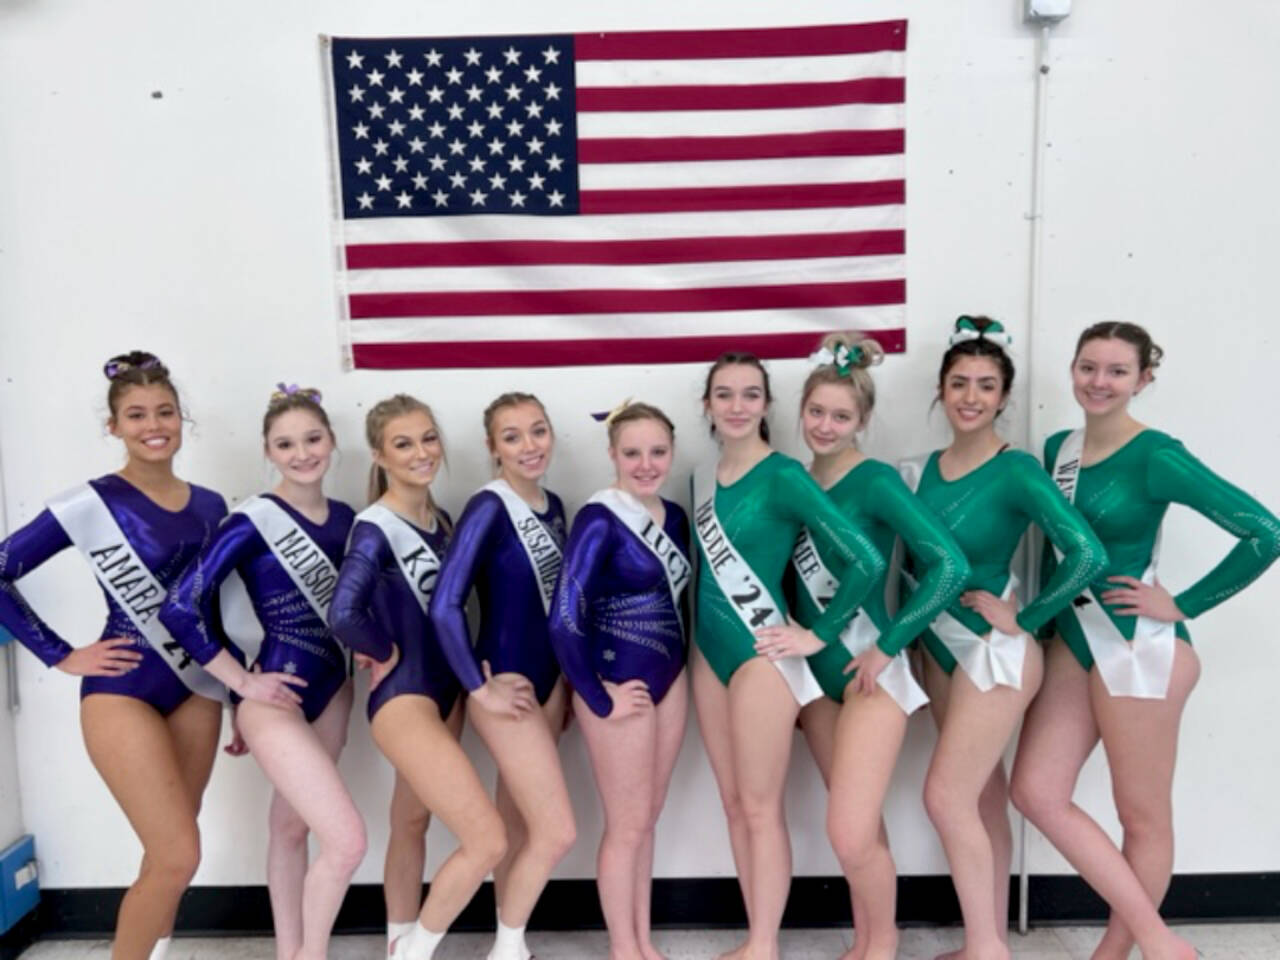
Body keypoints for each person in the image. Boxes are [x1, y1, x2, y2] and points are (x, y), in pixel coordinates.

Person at [1010, 322, 1280, 960]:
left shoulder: (1157, 454)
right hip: (1073, 642)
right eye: (1088, 367)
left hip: (1139, 648)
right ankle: (1160, 942)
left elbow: (1264, 533)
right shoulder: (1057, 449)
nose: (1099, 382)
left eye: (1117, 371)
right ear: (1072, 369)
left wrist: (1183, 604)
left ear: (1143, 379)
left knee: (1142, 814)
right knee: (1036, 793)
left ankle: (1121, 949)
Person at [0, 352, 226, 960]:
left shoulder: (211, 505)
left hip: (197, 689)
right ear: (114, 426)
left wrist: (242, 694)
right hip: (122, 688)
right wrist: (60, 654)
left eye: (165, 412)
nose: (154, 425)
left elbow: (217, 604)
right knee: (178, 853)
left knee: (169, 855)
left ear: (182, 419)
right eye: (137, 414)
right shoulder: (89, 504)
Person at [902, 316, 1108, 960]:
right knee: (982, 800)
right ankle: (985, 941)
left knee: (945, 797)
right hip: (938, 649)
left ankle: (988, 951)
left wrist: (1028, 617)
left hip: (993, 654)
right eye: (959, 383)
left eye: (986, 386)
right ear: (941, 390)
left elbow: (1086, 553)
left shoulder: (1016, 468)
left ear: (1004, 397)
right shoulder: (919, 471)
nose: (971, 397)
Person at [690, 352, 885, 960]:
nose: (737, 406)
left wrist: (818, 633)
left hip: (761, 655)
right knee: (733, 804)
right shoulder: (701, 477)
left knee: (759, 806)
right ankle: (757, 935)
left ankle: (764, 945)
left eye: (750, 394)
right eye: (725, 394)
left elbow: (866, 560)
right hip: (708, 656)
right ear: (707, 404)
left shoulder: (785, 476)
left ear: (768, 405)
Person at [160, 385, 364, 960]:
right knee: (346, 842)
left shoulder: (348, 519)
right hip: (273, 699)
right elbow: (181, 605)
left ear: (332, 441)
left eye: (312, 439)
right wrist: (240, 685)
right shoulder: (250, 521)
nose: (302, 454)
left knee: (291, 829)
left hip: (335, 692)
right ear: (268, 451)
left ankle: (287, 952)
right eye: (286, 444)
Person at [789, 335, 969, 960]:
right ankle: (868, 940)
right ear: (801, 411)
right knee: (858, 830)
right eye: (816, 412)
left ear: (862, 420)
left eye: (841, 416)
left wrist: (890, 645)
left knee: (846, 828)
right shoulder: (793, 480)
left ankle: (882, 944)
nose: (826, 425)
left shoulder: (876, 481)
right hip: (815, 679)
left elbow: (948, 565)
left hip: (870, 672)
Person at [329, 394, 506, 960]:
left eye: (429, 438)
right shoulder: (375, 527)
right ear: (380, 456)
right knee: (487, 841)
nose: (422, 452)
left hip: (446, 692)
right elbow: (343, 613)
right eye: (403, 444)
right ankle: (415, 950)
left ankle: (394, 943)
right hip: (404, 696)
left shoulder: (441, 521)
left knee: (410, 821)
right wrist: (381, 649)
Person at [428, 392, 576, 960]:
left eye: (538, 431)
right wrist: (478, 686)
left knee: (520, 825)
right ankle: (497, 948)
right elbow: (445, 605)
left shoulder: (555, 505)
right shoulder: (488, 507)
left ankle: (508, 943)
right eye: (512, 437)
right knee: (557, 831)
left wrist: (568, 683)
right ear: (493, 448)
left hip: (549, 685)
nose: (529, 445)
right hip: (507, 685)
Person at [547, 402, 690, 960]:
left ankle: (643, 940)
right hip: (616, 682)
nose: (646, 464)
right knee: (627, 825)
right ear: (612, 454)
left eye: (658, 452)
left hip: (670, 680)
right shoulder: (599, 519)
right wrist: (593, 694)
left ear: (672, 452)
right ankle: (623, 948)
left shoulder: (674, 517)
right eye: (632, 453)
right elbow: (564, 617)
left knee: (647, 819)